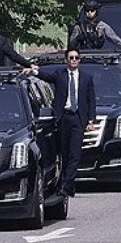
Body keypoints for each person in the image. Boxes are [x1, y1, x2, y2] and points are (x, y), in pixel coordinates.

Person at [32, 48, 96, 198]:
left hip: (78, 118)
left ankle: (66, 186)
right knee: (64, 152)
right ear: (66, 60)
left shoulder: (87, 77)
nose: (74, 60)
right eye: (71, 58)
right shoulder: (60, 74)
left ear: (80, 60)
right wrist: (35, 71)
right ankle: (69, 185)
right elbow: (46, 77)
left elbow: (91, 99)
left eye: (76, 57)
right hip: (63, 118)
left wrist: (91, 120)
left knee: (75, 153)